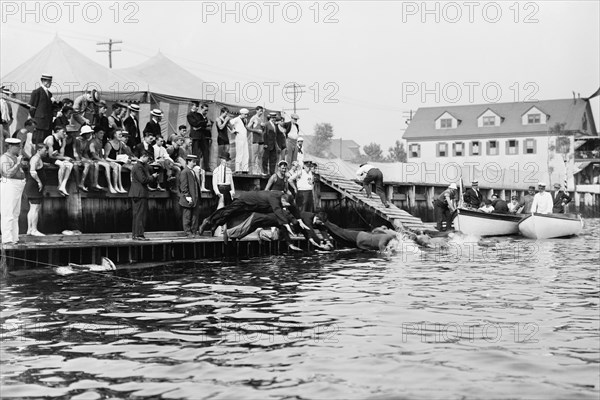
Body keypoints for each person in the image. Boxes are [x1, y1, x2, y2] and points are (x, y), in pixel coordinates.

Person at [198, 191, 306, 236]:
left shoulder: (286, 198)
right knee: (227, 211)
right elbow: (277, 211)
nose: (285, 207)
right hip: (246, 200)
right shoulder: (275, 197)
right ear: (282, 199)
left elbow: (294, 208)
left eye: (286, 205)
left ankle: (216, 224)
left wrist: (300, 221)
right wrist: (286, 225)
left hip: (253, 207)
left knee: (232, 216)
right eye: (284, 204)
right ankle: (207, 220)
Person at [1, 138, 27, 244]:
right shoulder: (4, 158)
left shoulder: (16, 157)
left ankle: (14, 237)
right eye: (17, 146)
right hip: (9, 184)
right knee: (8, 212)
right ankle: (7, 238)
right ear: (10, 146)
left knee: (16, 213)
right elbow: (7, 173)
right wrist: (18, 164)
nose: (19, 148)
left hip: (18, 185)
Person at [129, 150, 159, 240]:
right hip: (140, 194)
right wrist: (153, 177)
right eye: (148, 158)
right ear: (144, 156)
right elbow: (143, 180)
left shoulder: (140, 166)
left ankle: (135, 234)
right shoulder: (138, 166)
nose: (148, 160)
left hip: (137, 193)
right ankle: (139, 235)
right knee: (140, 215)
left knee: (137, 215)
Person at [322, 217, 399, 251]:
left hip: (362, 243)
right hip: (360, 237)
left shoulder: (386, 236)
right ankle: (325, 222)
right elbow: (381, 245)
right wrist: (385, 254)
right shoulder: (387, 237)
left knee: (341, 239)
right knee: (341, 232)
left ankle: (326, 229)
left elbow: (375, 232)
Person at [43, 126, 74, 196]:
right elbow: (50, 155)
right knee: (62, 164)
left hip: (55, 158)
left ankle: (63, 185)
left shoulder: (61, 140)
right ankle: (60, 185)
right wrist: (64, 158)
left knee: (70, 165)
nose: (64, 133)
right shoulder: (50, 139)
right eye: (63, 131)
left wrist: (64, 144)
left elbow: (61, 154)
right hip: (47, 158)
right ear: (57, 131)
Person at [25, 144, 48, 236]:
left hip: (34, 186)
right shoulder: (35, 158)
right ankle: (34, 230)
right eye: (45, 150)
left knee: (33, 208)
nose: (46, 152)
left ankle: (30, 230)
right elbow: (33, 171)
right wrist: (39, 182)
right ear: (39, 150)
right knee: (35, 208)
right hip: (34, 186)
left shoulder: (38, 158)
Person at [28, 73, 55, 143]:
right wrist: (37, 118)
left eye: (50, 81)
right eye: (48, 81)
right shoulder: (37, 92)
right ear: (42, 81)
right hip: (40, 124)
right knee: (39, 143)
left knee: (47, 143)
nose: (50, 83)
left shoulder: (49, 94)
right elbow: (32, 108)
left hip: (48, 123)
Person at [179, 155, 202, 237]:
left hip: (195, 198)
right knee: (187, 216)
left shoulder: (192, 171)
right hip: (188, 199)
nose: (194, 163)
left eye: (195, 161)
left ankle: (194, 231)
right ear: (188, 162)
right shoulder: (185, 172)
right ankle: (188, 232)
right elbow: (183, 187)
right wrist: (188, 197)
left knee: (195, 216)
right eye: (193, 161)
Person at [187, 102, 212, 172]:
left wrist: (200, 125)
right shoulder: (189, 115)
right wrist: (202, 124)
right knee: (196, 152)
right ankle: (196, 166)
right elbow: (194, 124)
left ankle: (206, 167)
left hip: (202, 136)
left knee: (205, 152)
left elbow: (202, 124)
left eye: (197, 106)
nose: (197, 108)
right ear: (192, 106)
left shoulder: (198, 114)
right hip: (195, 136)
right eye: (195, 106)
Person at [229, 108, 250, 173]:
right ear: (242, 114)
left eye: (247, 114)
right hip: (239, 137)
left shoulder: (245, 120)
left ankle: (245, 169)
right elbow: (229, 123)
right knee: (239, 153)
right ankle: (238, 169)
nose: (246, 116)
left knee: (246, 153)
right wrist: (233, 131)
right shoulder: (236, 119)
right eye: (245, 114)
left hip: (244, 138)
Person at [247, 106, 265, 174]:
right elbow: (248, 127)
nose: (261, 112)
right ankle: (252, 170)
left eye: (262, 111)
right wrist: (256, 131)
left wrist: (263, 127)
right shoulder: (253, 118)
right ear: (257, 110)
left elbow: (262, 129)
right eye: (260, 111)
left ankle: (259, 170)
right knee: (254, 154)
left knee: (260, 155)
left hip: (261, 138)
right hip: (255, 138)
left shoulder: (261, 119)